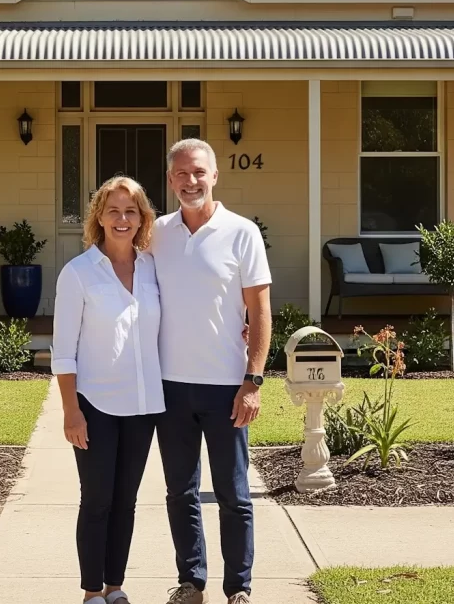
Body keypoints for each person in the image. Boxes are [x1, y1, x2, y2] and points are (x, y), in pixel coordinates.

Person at [151, 138, 272, 604]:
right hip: (170, 388)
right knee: (179, 493)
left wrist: (253, 381)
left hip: (227, 388)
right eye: (181, 173)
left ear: (215, 175)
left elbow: (260, 313)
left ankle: (238, 588)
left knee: (233, 496)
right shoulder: (156, 234)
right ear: (170, 180)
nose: (190, 180)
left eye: (199, 171)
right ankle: (192, 581)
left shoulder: (242, 233)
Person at [52, 175, 165, 604]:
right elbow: (64, 351)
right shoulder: (78, 273)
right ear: (99, 216)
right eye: (113, 210)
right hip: (94, 405)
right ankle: (92, 591)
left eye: (130, 211)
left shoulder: (153, 267)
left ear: (142, 218)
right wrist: (70, 411)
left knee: (127, 501)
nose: (122, 219)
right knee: (97, 499)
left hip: (143, 405)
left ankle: (116, 587)